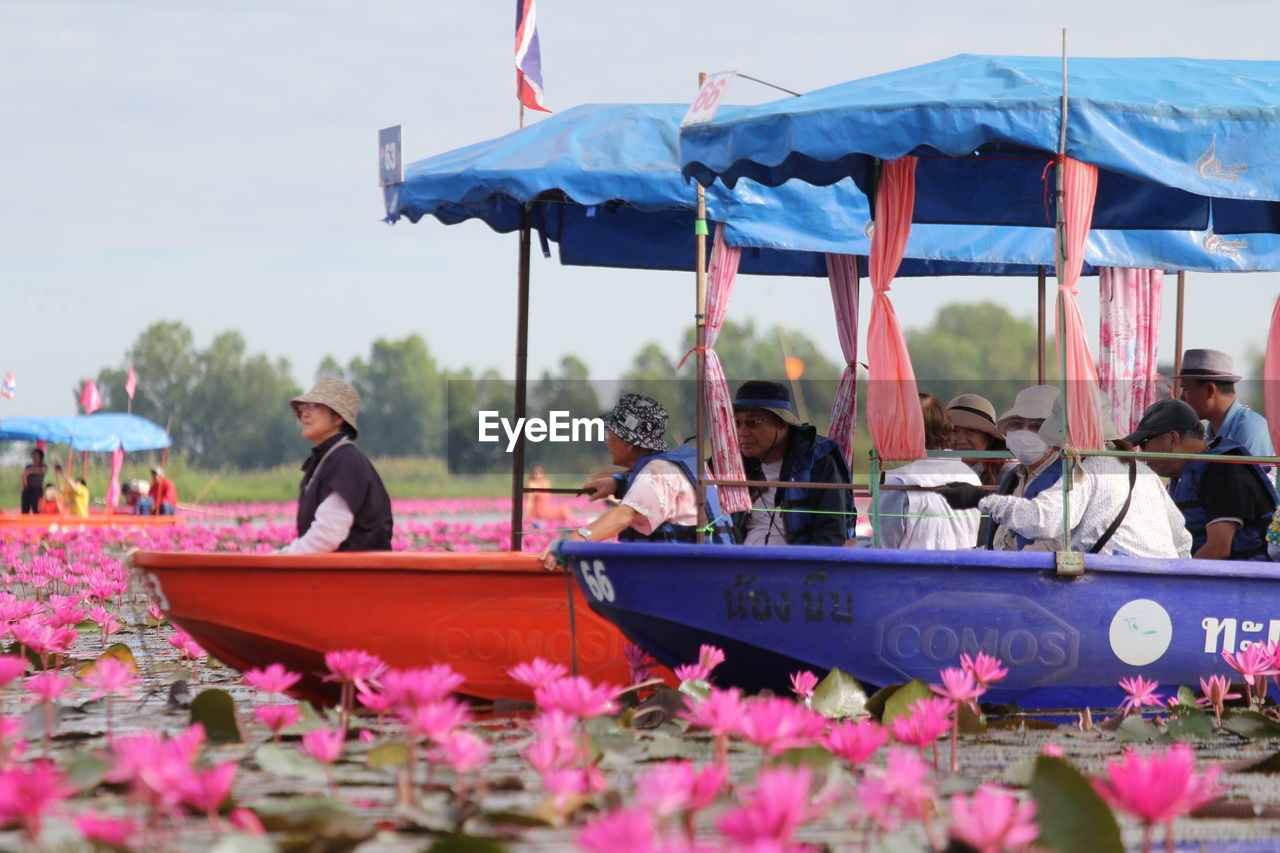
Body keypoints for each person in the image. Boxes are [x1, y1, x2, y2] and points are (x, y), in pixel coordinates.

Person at [942, 390, 1191, 558]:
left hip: (1116, 589)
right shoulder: (1140, 470)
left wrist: (979, 499)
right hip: (1156, 590)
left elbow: (1043, 521)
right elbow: (1181, 540)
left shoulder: (1087, 470)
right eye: (1018, 424)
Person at [541, 394, 733, 570]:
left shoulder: (657, 473)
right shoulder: (663, 469)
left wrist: (573, 541)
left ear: (628, 443)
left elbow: (623, 516)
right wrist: (619, 483)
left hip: (682, 574)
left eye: (610, 434)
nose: (607, 441)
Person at [1129, 398, 1277, 561]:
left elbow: (1219, 548)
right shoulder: (1184, 478)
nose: (1142, 454)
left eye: (1144, 443)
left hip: (1248, 583)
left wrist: (1175, 582)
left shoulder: (1224, 469)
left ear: (1172, 439)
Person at [729, 380, 854, 546]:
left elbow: (831, 534)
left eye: (752, 423)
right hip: (737, 568)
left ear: (782, 425)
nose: (742, 432)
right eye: (737, 423)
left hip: (799, 568)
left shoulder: (819, 463)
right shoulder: (732, 464)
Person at [279, 378, 393, 553]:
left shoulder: (347, 460)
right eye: (303, 407)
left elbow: (327, 535)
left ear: (339, 417)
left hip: (356, 575)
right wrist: (281, 555)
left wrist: (283, 559)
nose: (304, 414)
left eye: (313, 406)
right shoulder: (327, 459)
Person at [878, 394, 981, 550]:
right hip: (961, 571)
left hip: (912, 571)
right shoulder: (971, 476)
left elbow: (884, 547)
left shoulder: (897, 483)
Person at [981, 385, 1062, 551]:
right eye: (1016, 423)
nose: (1024, 432)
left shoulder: (1067, 478)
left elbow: (1053, 546)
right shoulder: (1014, 478)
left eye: (1036, 426)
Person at [1176, 348, 1275, 465]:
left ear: (1210, 390)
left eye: (1185, 388)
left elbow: (1249, 482)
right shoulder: (1213, 432)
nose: (1181, 398)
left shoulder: (1249, 428)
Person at [947, 394, 1010, 486]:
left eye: (971, 431)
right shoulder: (935, 470)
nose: (961, 440)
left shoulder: (1007, 472)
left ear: (989, 438)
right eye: (954, 431)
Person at [19, 449, 46, 515]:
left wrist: (29, 471)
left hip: (37, 489)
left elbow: (41, 470)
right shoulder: (28, 466)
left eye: (36, 456)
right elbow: (24, 475)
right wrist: (24, 480)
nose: (34, 458)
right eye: (33, 456)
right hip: (28, 489)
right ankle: (24, 523)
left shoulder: (43, 466)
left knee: (36, 509)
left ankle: (37, 523)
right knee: (25, 509)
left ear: (40, 457)